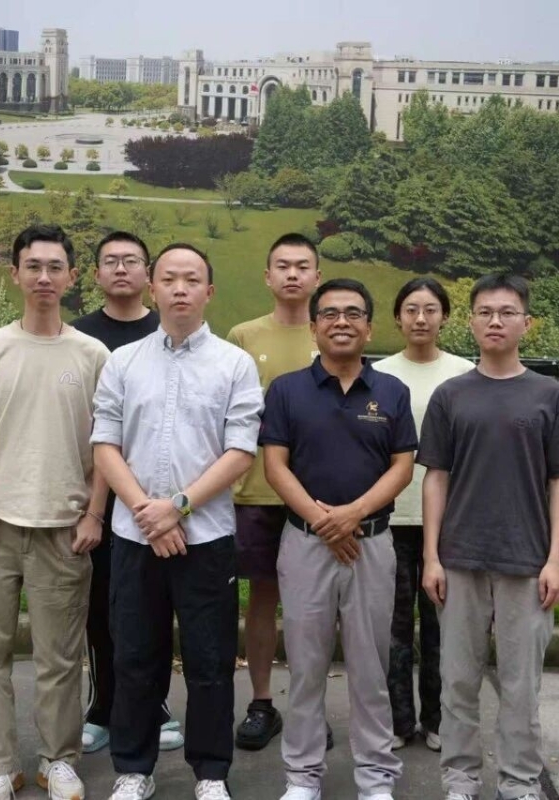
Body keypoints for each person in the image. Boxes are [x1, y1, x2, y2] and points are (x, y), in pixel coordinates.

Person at [0, 224, 110, 800]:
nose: (43, 277)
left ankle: (58, 760)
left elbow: (105, 445)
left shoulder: (93, 354)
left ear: (72, 276)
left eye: (55, 267)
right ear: (15, 274)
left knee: (59, 658)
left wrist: (94, 515)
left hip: (64, 526)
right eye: (33, 266)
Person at [92, 243, 264, 800]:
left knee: (210, 660)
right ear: (154, 288)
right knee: (134, 657)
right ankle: (133, 770)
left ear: (209, 291)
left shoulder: (234, 364)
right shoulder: (123, 362)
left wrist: (178, 507)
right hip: (134, 537)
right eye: (169, 278)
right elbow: (105, 443)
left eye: (192, 279)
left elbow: (241, 450)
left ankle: (211, 773)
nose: (180, 288)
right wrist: (150, 513)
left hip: (205, 537)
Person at [420, 272, 559, 800]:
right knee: (457, 680)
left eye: (507, 312)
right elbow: (436, 478)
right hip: (459, 558)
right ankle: (460, 779)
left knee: (521, 684)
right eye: (485, 312)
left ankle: (519, 782)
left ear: (526, 323)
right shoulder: (450, 395)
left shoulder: (549, 396)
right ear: (470, 322)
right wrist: (431, 556)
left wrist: (556, 559)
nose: (496, 321)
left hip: (527, 560)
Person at [261, 278, 417, 800]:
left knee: (371, 668)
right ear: (314, 327)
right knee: (306, 666)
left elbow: (402, 467)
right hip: (305, 544)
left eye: (353, 313)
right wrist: (324, 521)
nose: (341, 322)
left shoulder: (391, 391)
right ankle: (302, 776)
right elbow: (275, 465)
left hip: (371, 544)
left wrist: (352, 515)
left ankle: (376, 777)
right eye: (329, 313)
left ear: (369, 327)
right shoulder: (287, 390)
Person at [72, 231, 184, 757]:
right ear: (95, 273)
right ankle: (102, 707)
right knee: (102, 610)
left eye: (132, 261)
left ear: (149, 275)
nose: (121, 269)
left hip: (166, 504)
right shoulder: (79, 336)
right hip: (97, 501)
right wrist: (95, 509)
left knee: (155, 613)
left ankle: (153, 706)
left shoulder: (168, 332)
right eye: (111, 261)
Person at [226, 233, 322, 752]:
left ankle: (311, 708)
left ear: (317, 277)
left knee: (316, 606)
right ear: (267, 276)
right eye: (282, 265)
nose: (292, 274)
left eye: (302, 266)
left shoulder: (330, 332)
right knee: (262, 599)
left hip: (320, 498)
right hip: (254, 493)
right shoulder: (242, 336)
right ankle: (262, 702)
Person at [374, 278, 474, 754]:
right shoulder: (378, 375)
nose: (420, 318)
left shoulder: (465, 374)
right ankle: (397, 722)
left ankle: (438, 719)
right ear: (398, 317)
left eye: (430, 309)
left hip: (450, 521)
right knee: (392, 626)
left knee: (442, 627)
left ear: (445, 317)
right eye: (411, 309)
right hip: (390, 519)